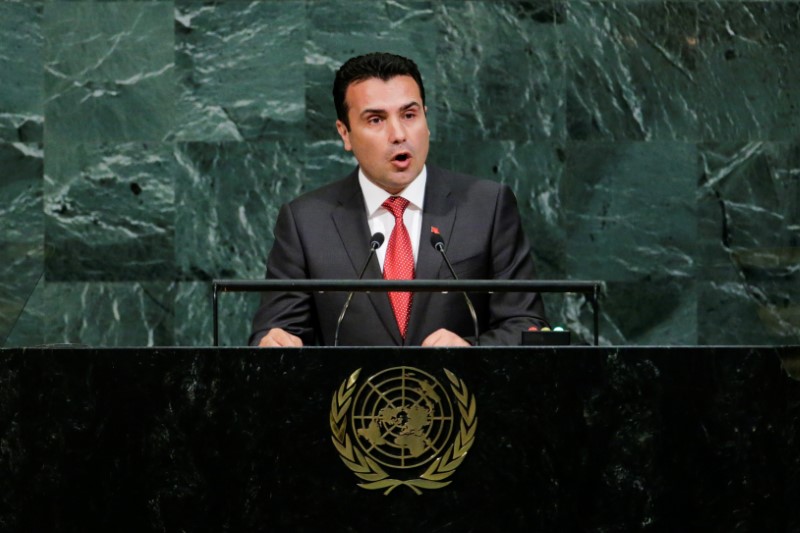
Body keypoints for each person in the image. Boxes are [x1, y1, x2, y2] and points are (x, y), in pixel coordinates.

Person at [250, 52, 547, 347]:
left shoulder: (487, 206)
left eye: (409, 115)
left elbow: (526, 324)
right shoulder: (305, 222)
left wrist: (471, 350)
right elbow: (277, 332)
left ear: (426, 119)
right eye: (376, 119)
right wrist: (276, 343)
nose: (399, 134)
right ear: (345, 134)